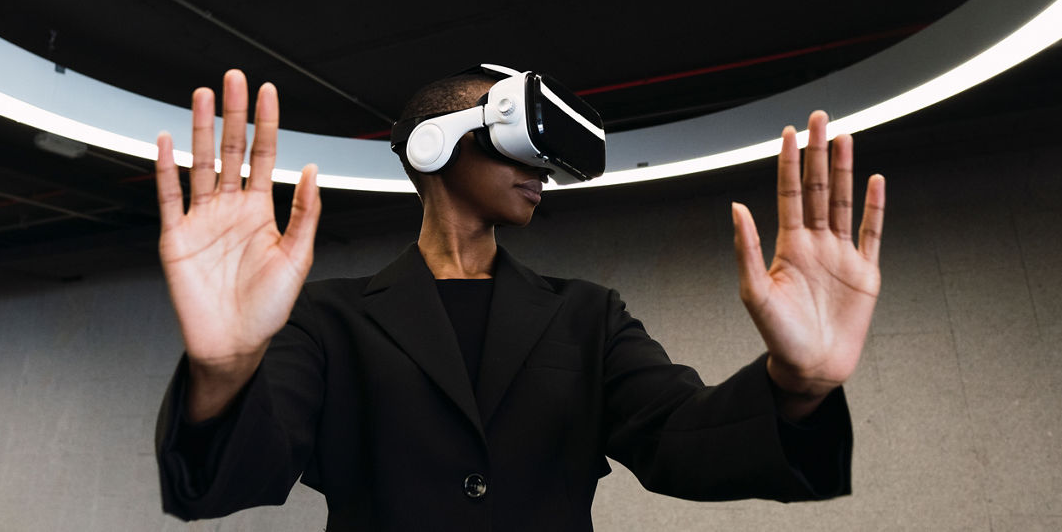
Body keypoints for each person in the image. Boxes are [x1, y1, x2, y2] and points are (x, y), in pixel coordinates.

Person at [153, 67, 885, 531]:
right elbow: (234, 478)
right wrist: (224, 369)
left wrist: (798, 387)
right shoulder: (328, 319)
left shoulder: (587, 317)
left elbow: (679, 442)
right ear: (435, 146)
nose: (542, 174)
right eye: (519, 147)